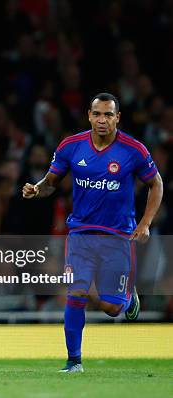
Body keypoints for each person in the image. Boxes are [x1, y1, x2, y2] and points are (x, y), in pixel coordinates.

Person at [23, 93, 163, 373]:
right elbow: (51, 182)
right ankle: (74, 361)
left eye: (108, 115)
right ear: (89, 115)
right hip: (81, 234)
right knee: (75, 292)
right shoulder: (71, 147)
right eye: (97, 114)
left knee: (112, 309)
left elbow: (156, 184)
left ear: (118, 118)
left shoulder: (133, 150)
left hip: (118, 237)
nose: (102, 120)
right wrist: (38, 189)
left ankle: (127, 298)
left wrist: (145, 223)